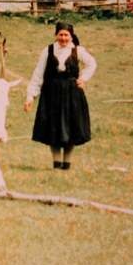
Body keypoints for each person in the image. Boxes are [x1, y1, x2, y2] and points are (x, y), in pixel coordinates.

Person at [24, 21, 96, 170]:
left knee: (71, 129)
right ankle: (56, 164)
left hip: (72, 95)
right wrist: (31, 96)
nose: (63, 38)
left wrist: (83, 79)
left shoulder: (78, 50)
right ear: (56, 35)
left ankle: (67, 164)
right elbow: (38, 74)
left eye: (66, 35)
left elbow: (92, 64)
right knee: (53, 129)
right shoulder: (48, 51)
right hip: (51, 95)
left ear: (71, 36)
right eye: (60, 35)